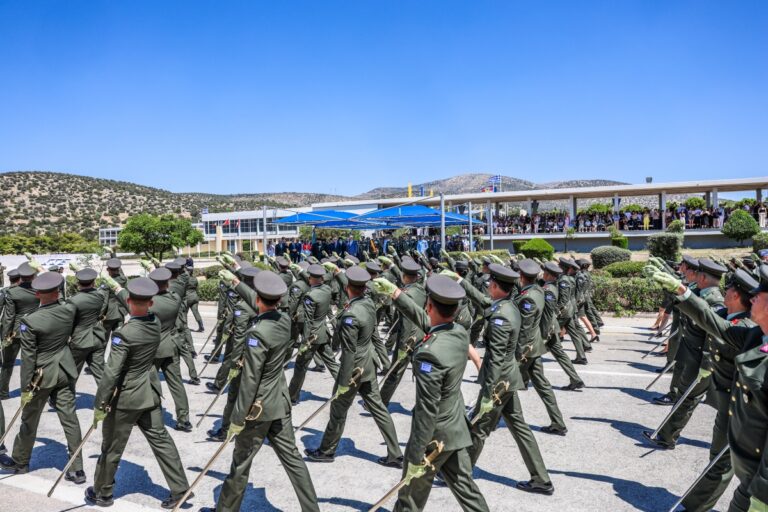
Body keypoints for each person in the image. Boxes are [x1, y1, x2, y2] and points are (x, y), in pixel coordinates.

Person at [647, 263, 768, 512]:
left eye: (760, 294)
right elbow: (715, 324)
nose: (753, 297)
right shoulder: (756, 336)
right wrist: (682, 291)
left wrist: (764, 492)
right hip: (748, 468)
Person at [374, 274, 490, 511]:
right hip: (455, 428)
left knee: (409, 496)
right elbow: (428, 321)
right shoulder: (459, 332)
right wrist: (396, 293)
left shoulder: (430, 353)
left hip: (434, 437)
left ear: (429, 306)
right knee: (466, 489)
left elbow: (427, 409)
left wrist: (416, 454)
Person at [86, 277, 192, 509]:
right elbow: (138, 307)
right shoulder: (155, 322)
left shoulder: (124, 334)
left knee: (112, 446)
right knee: (161, 440)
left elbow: (111, 373)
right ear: (151, 303)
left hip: (127, 397)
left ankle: (102, 492)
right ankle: (181, 489)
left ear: (129, 302)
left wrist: (100, 403)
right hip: (149, 391)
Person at [304, 266, 403, 468]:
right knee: (379, 409)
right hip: (368, 365)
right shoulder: (368, 304)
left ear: (348, 287)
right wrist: (383, 360)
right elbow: (374, 335)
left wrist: (343, 381)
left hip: (354, 370)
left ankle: (326, 450)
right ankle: (395, 453)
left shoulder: (351, 315)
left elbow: (349, 352)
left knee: (338, 410)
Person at [0, 271, 85, 484]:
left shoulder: (30, 321)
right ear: (58, 291)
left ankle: (20, 461)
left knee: (29, 419)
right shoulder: (69, 309)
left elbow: (28, 358)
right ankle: (77, 469)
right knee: (70, 419)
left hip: (41, 376)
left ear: (37, 294)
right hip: (64, 369)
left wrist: (25, 388)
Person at [643, 258, 726, 449]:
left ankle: (667, 437)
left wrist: (707, 364)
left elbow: (714, 336)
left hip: (701, 360)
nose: (694, 276)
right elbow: (680, 297)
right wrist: (665, 282)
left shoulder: (715, 301)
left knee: (688, 399)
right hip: (690, 356)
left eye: (698, 274)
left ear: (703, 277)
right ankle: (667, 435)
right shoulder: (700, 293)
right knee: (685, 398)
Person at [106, 267, 193, 431]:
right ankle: (184, 419)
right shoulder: (174, 298)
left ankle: (149, 416)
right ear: (167, 283)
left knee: (150, 384)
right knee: (176, 384)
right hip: (171, 345)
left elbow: (128, 300)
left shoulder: (151, 305)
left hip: (153, 349)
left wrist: (115, 287)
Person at [288, 264, 339, 405]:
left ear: (311, 278)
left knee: (300, 367)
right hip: (323, 332)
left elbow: (308, 321)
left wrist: (305, 341)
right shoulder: (327, 289)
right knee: (332, 364)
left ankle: (292, 396)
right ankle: (345, 387)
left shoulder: (310, 296)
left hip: (312, 336)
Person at [0, 262, 40, 399]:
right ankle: (28, 390)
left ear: (21, 276)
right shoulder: (39, 291)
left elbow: (9, 317)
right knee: (31, 363)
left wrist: (5, 336)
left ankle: (3, 392)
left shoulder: (12, 292)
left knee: (7, 364)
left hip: (15, 332)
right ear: (33, 276)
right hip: (33, 330)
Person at [67, 268, 109, 384]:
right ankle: (109, 395)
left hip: (80, 339)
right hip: (97, 336)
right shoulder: (100, 296)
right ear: (94, 282)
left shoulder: (73, 301)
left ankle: (66, 395)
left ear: (78, 283)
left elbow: (69, 321)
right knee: (100, 373)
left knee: (71, 373)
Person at [185, 260, 205, 332]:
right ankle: (201, 326)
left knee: (184, 313)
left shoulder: (185, 279)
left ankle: (185, 327)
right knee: (196, 312)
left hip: (187, 297)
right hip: (195, 297)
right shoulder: (194, 279)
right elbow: (197, 288)